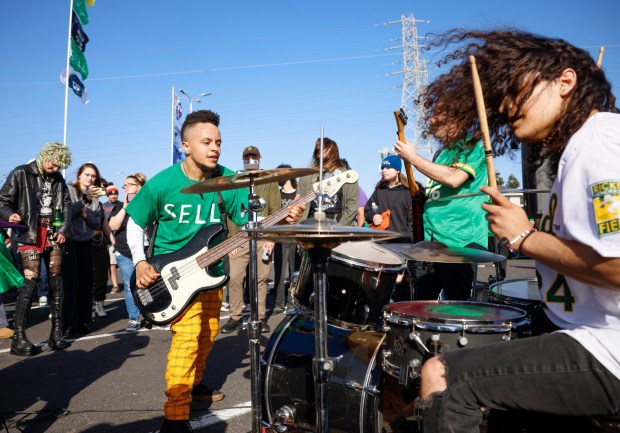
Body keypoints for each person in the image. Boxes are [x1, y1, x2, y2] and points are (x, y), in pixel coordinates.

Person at [402, 29, 620, 433]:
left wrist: (526, 238)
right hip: (581, 332)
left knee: (444, 374)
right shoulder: (583, 147)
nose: (505, 104)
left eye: (516, 89)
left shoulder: (600, 145)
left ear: (565, 82)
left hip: (608, 349)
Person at [125, 110, 305, 433]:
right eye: (206, 141)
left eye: (218, 142)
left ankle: (193, 386)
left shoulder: (226, 179)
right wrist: (140, 261)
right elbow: (134, 222)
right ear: (185, 145)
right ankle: (175, 416)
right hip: (173, 276)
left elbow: (250, 221)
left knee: (207, 333)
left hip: (212, 273)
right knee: (188, 339)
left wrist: (284, 217)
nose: (215, 148)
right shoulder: (163, 182)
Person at [395, 116, 488, 301]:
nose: (432, 119)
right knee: (421, 305)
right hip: (433, 241)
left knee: (455, 306)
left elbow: (453, 179)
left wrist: (412, 158)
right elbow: (437, 191)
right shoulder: (442, 153)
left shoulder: (472, 146)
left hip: (459, 240)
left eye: (439, 116)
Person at [0, 142, 72, 356]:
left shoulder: (58, 179)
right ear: (44, 156)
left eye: (60, 165)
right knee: (30, 283)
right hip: (30, 234)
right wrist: (8, 215)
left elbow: (66, 205)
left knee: (57, 281)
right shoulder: (21, 173)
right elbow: (2, 200)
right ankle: (19, 337)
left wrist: (65, 229)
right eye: (54, 164)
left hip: (53, 234)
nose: (57, 168)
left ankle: (56, 333)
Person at [221, 146, 280, 334]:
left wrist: (271, 238)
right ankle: (235, 316)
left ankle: (260, 317)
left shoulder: (269, 181)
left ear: (260, 158)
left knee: (260, 279)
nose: (250, 160)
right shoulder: (236, 180)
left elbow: (276, 212)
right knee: (236, 278)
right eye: (247, 157)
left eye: (253, 156)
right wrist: (232, 241)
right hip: (239, 237)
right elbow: (230, 213)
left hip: (263, 237)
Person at [63, 163, 105, 338]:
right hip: (70, 242)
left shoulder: (96, 199)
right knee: (70, 285)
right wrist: (83, 201)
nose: (90, 178)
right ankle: (67, 325)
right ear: (79, 175)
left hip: (86, 243)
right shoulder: (68, 191)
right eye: (87, 174)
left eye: (93, 176)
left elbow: (97, 223)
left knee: (87, 284)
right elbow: (66, 213)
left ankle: (84, 322)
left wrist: (86, 214)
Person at [108, 173, 147, 332]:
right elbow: (113, 226)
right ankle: (134, 318)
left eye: (129, 185)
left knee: (148, 285)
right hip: (124, 253)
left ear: (139, 187)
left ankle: (153, 315)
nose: (125, 188)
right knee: (131, 286)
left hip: (145, 251)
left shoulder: (147, 203)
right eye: (124, 186)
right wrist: (125, 207)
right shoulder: (119, 206)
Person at [297, 137, 359, 226]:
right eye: (318, 149)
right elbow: (300, 206)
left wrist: (340, 228)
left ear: (333, 151)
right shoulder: (306, 176)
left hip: (338, 225)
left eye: (324, 149)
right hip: (311, 226)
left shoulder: (348, 176)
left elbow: (352, 206)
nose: (321, 152)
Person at [364, 155, 413, 242]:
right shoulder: (379, 191)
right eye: (383, 168)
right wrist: (373, 216)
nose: (384, 170)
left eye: (388, 167)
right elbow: (367, 210)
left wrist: (408, 241)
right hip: (380, 243)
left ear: (398, 170)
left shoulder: (407, 193)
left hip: (402, 244)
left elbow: (412, 222)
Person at [272, 163, 298, 314]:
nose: (277, 177)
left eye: (279, 174)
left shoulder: (299, 193)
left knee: (294, 272)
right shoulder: (276, 194)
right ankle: (278, 303)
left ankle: (292, 302)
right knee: (279, 273)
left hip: (295, 238)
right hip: (280, 237)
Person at [92, 178, 115, 318]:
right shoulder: (82, 202)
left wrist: (111, 238)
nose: (103, 190)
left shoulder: (100, 205)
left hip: (100, 243)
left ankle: (99, 305)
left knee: (101, 275)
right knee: (87, 277)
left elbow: (105, 224)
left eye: (104, 188)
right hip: (85, 244)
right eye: (101, 187)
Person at [102, 183, 122, 294]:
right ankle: (115, 285)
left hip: (120, 238)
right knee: (111, 264)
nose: (114, 196)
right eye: (111, 194)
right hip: (107, 239)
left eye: (116, 193)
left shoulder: (122, 204)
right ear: (107, 195)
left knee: (116, 263)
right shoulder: (103, 206)